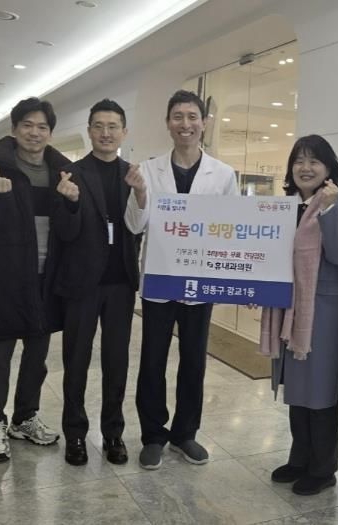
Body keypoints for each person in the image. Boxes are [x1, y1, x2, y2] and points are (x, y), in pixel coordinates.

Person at [124, 89, 238, 469]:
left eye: (192, 117)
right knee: (153, 360)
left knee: (194, 361)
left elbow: (231, 228)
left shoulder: (223, 175)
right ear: (168, 123)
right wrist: (140, 194)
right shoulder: (148, 170)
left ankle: (185, 433)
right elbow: (134, 225)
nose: (185, 124)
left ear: (204, 123)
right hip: (161, 280)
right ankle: (153, 434)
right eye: (178, 117)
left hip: (200, 282)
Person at [0, 97, 67, 462]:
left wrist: (73, 201)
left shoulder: (61, 172)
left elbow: (71, 225)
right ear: (15, 129)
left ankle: (24, 418)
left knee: (37, 357)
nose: (34, 133)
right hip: (5, 280)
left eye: (42, 127)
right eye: (27, 125)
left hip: (45, 281)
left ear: (50, 133)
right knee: (0, 355)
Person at [259, 134, 338, 495]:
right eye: (299, 160)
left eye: (314, 160)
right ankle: (299, 458)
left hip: (324, 311)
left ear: (329, 168)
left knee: (320, 390)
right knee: (298, 388)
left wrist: (327, 210)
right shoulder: (283, 208)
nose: (305, 167)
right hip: (289, 309)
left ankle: (323, 468)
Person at [52, 99, 143, 466]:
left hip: (120, 283)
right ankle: (75, 433)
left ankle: (113, 434)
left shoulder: (133, 175)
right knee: (76, 360)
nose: (106, 133)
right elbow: (64, 233)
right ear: (89, 131)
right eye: (99, 126)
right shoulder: (71, 174)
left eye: (113, 126)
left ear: (124, 132)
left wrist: (141, 195)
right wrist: (70, 204)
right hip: (82, 284)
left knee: (116, 362)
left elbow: (140, 226)